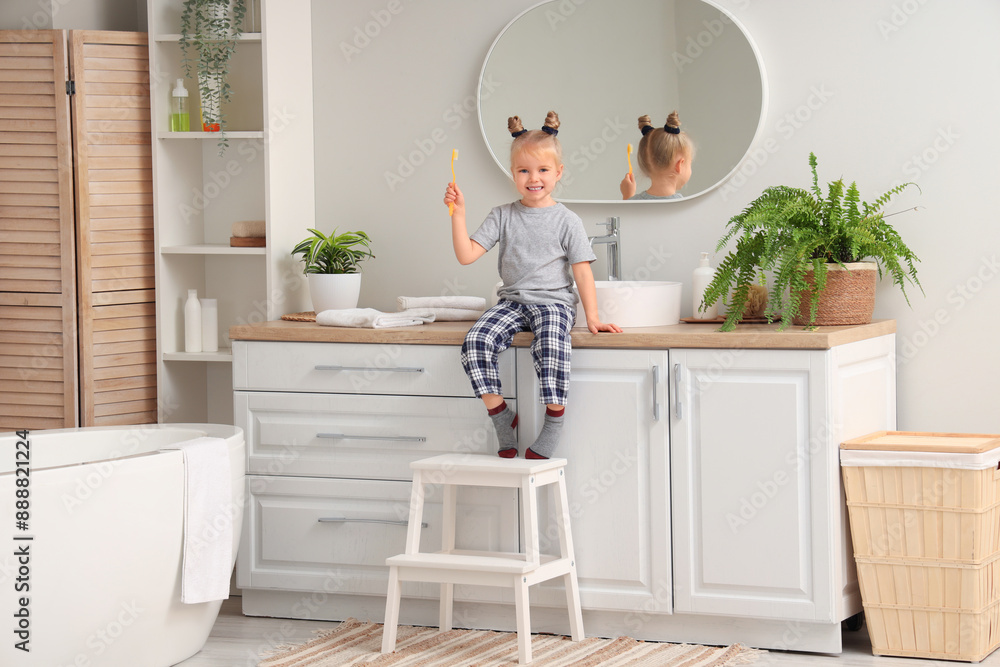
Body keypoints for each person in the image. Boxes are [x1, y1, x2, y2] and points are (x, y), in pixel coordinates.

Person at [444, 111, 622, 460]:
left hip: (553, 304)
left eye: (542, 170)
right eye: (524, 170)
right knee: (475, 342)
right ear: (513, 174)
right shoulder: (501, 215)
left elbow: (583, 273)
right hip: (512, 304)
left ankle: (553, 424)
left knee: (551, 347)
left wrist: (593, 317)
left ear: (558, 173)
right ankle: (501, 416)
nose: (533, 178)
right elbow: (466, 255)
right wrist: (459, 213)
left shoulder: (567, 220)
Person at [620, 111, 694, 200]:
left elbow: (627, 213)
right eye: (690, 162)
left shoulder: (634, 203)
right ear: (679, 165)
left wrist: (627, 196)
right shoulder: (685, 206)